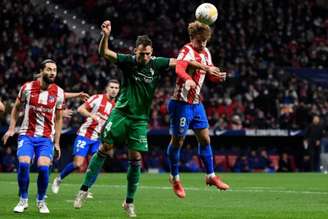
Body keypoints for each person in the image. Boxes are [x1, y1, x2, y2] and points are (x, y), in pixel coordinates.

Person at [73, 20, 221, 217]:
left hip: (140, 120)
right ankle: (83, 190)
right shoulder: (127, 61)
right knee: (105, 148)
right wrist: (105, 36)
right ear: (135, 51)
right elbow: (104, 53)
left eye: (148, 53)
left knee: (135, 158)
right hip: (120, 114)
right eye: (141, 53)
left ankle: (129, 202)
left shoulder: (156, 63)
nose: (145, 57)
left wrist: (205, 67)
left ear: (152, 53)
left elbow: (181, 63)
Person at [166, 21, 229, 199]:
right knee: (178, 142)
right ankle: (175, 178)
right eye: (200, 41)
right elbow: (179, 68)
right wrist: (187, 78)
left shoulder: (206, 52)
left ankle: (210, 176)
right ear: (192, 38)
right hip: (180, 104)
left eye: (205, 41)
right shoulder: (186, 50)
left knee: (205, 139)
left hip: (196, 104)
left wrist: (219, 77)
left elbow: (210, 75)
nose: (202, 44)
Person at [2, 59, 64, 214]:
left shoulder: (59, 92)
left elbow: (58, 118)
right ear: (42, 71)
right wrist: (11, 129)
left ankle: (41, 200)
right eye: (49, 69)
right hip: (26, 135)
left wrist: (57, 143)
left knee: (44, 168)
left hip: (45, 138)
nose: (52, 73)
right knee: (23, 165)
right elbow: (16, 108)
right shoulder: (27, 88)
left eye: (54, 70)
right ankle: (23, 200)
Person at [51, 79, 120, 194]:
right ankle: (58, 179)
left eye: (116, 88)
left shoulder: (115, 107)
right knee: (78, 163)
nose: (114, 90)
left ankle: (85, 189)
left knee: (96, 165)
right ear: (107, 88)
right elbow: (80, 109)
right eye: (112, 87)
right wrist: (92, 115)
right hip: (85, 135)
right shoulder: (97, 98)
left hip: (98, 138)